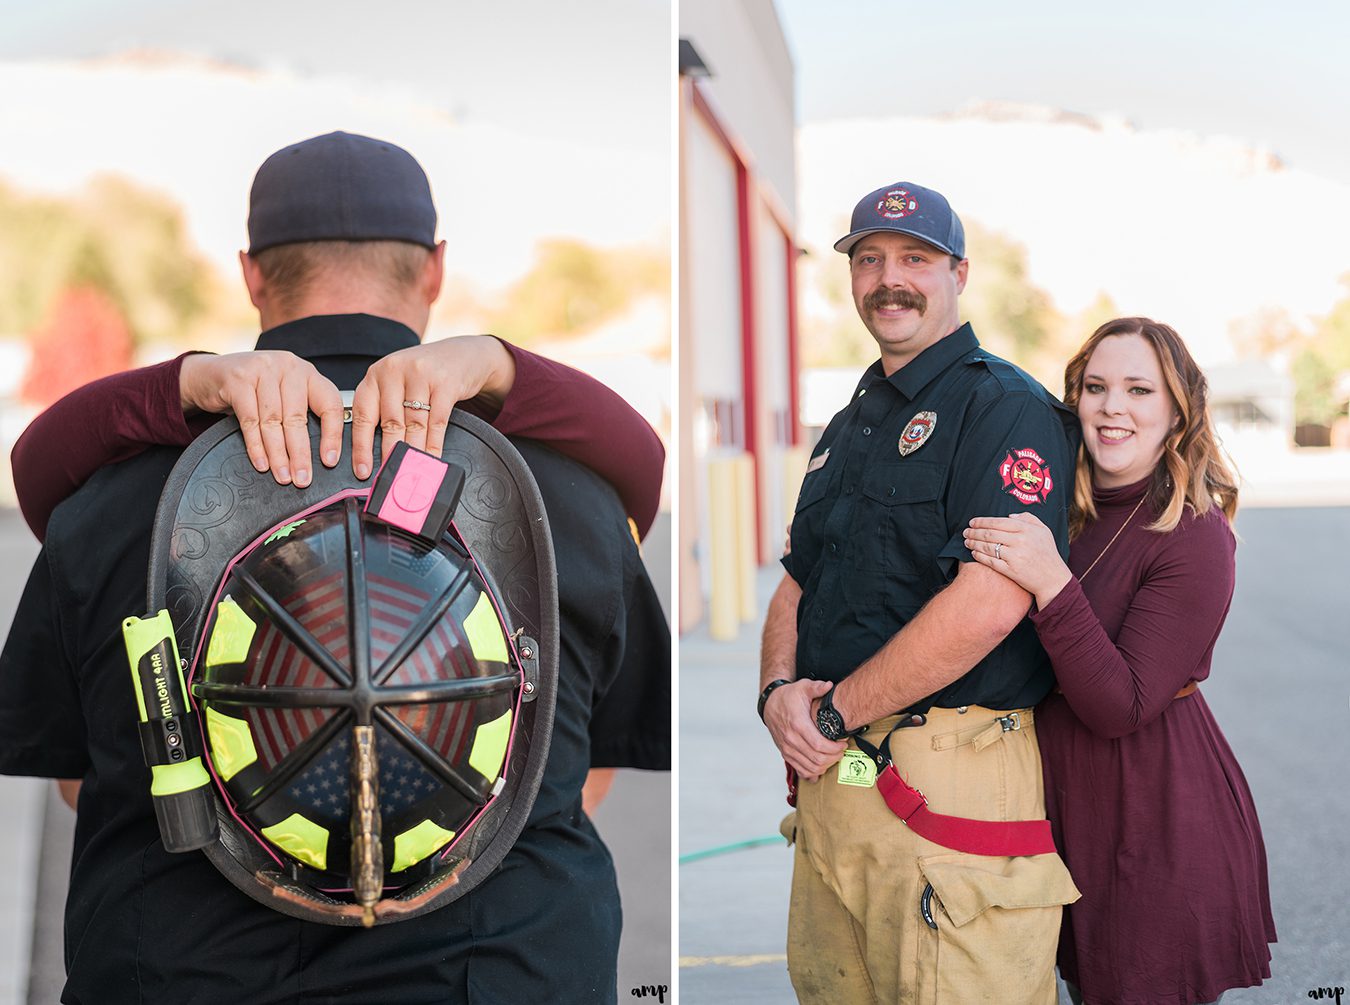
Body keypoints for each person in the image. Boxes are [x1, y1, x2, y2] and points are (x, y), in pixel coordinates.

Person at [0, 130, 669, 1003]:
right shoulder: (568, 494)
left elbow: (76, 781)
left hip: (178, 970)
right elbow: (578, 775)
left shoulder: (109, 498)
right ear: (432, 268)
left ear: (250, 272)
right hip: (503, 973)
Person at [759, 181, 1080, 1004]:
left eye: (914, 259)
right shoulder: (848, 422)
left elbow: (989, 601)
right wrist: (775, 697)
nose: (888, 278)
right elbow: (799, 578)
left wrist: (832, 713)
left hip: (950, 779)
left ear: (959, 273)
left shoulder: (1003, 407)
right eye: (869, 259)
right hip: (836, 788)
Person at [962, 317, 1275, 1005]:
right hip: (1065, 811)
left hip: (1154, 818)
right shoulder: (1057, 505)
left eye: (1139, 389)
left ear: (1176, 411)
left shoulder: (1193, 535)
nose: (1113, 407)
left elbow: (1119, 705)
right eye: (1096, 386)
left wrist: (1052, 581)